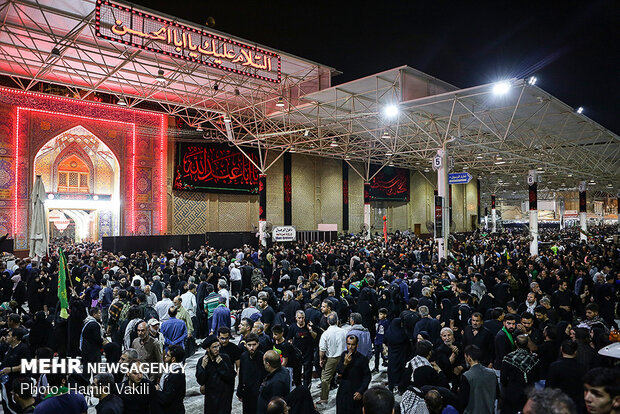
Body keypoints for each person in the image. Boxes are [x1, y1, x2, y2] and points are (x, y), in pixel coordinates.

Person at [500, 334, 540, 414]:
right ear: (527, 343)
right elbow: (537, 377)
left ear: (515, 343)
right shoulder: (534, 359)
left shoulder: (508, 358)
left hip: (512, 393)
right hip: (528, 393)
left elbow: (503, 379)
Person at [196, 336, 236, 414]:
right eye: (214, 347)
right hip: (211, 398)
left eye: (218, 346)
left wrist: (221, 364)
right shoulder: (202, 361)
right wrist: (203, 368)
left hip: (224, 397)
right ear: (208, 349)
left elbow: (231, 376)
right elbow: (200, 381)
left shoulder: (224, 358)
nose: (217, 349)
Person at [546, 340, 587, 411]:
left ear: (561, 350)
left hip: (559, 403)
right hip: (576, 404)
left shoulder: (555, 366)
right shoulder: (582, 367)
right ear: (575, 351)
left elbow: (549, 387)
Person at [335, 335, 372, 414]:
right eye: (348, 344)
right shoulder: (343, 355)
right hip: (343, 391)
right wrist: (345, 364)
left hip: (355, 391)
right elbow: (338, 371)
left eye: (353, 344)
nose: (350, 347)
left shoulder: (362, 359)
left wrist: (361, 391)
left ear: (357, 345)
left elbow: (367, 376)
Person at [458, 345, 497, 414]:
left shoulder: (466, 376)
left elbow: (463, 402)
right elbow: (497, 395)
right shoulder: (492, 373)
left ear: (469, 358)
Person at [317, 312, 346, 405]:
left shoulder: (326, 334)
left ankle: (324, 398)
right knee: (345, 377)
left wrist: (321, 359)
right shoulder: (344, 331)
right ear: (337, 321)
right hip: (343, 358)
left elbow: (322, 349)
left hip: (331, 359)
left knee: (325, 379)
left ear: (328, 322)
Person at [237, 333, 267, 414]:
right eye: (249, 345)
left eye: (254, 345)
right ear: (245, 345)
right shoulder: (243, 356)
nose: (251, 348)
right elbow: (241, 374)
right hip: (247, 393)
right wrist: (239, 390)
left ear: (258, 344)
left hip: (259, 394)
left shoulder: (262, 357)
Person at [286, 310, 316, 387]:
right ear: (296, 318)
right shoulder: (292, 327)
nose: (301, 320)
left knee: (307, 373)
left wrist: (310, 330)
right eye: (299, 318)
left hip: (308, 353)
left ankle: (306, 388)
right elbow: (289, 339)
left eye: (303, 318)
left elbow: (315, 336)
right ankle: (298, 388)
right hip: (297, 354)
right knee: (296, 373)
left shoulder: (309, 325)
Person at [156, 345, 186, 414]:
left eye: (168, 355)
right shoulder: (171, 370)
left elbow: (166, 398)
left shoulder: (176, 374)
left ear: (173, 359)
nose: (165, 357)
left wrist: (157, 391)